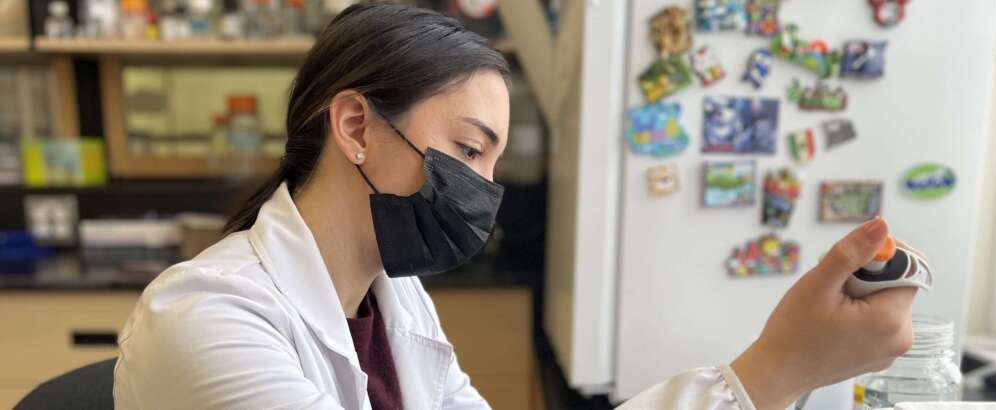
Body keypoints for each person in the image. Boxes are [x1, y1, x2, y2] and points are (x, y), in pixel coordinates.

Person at [113, 4, 919, 410]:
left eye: (494, 161)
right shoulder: (206, 318)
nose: (484, 192)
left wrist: (770, 373)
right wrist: (775, 368)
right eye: (468, 151)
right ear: (355, 124)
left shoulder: (399, 309)